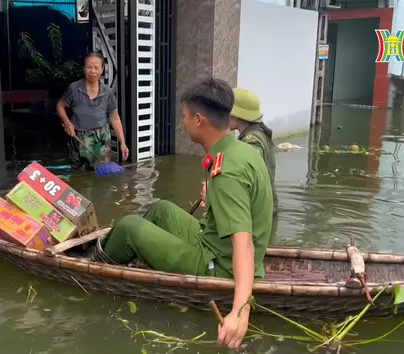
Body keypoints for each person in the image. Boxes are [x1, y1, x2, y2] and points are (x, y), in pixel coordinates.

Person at [93, 78, 274, 349]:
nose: (183, 123)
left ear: (199, 119)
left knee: (130, 225)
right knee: (161, 208)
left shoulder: (228, 171)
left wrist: (240, 311)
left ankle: (97, 265)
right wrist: (213, 196)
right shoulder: (241, 151)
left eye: (185, 117)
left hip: (219, 266)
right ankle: (130, 254)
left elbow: (243, 242)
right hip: (211, 242)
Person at [200, 88, 278, 216]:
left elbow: (243, 176)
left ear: (235, 115)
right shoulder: (260, 133)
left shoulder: (251, 142)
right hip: (265, 210)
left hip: (255, 215)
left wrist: (214, 192)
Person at [56, 51, 129, 171]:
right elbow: (60, 106)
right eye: (89, 67)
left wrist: (123, 142)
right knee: (78, 174)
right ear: (84, 69)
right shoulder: (74, 88)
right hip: (77, 137)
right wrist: (67, 122)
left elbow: (114, 118)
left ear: (102, 70)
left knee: (101, 174)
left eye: (96, 68)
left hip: (101, 139)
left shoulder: (108, 92)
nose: (93, 71)